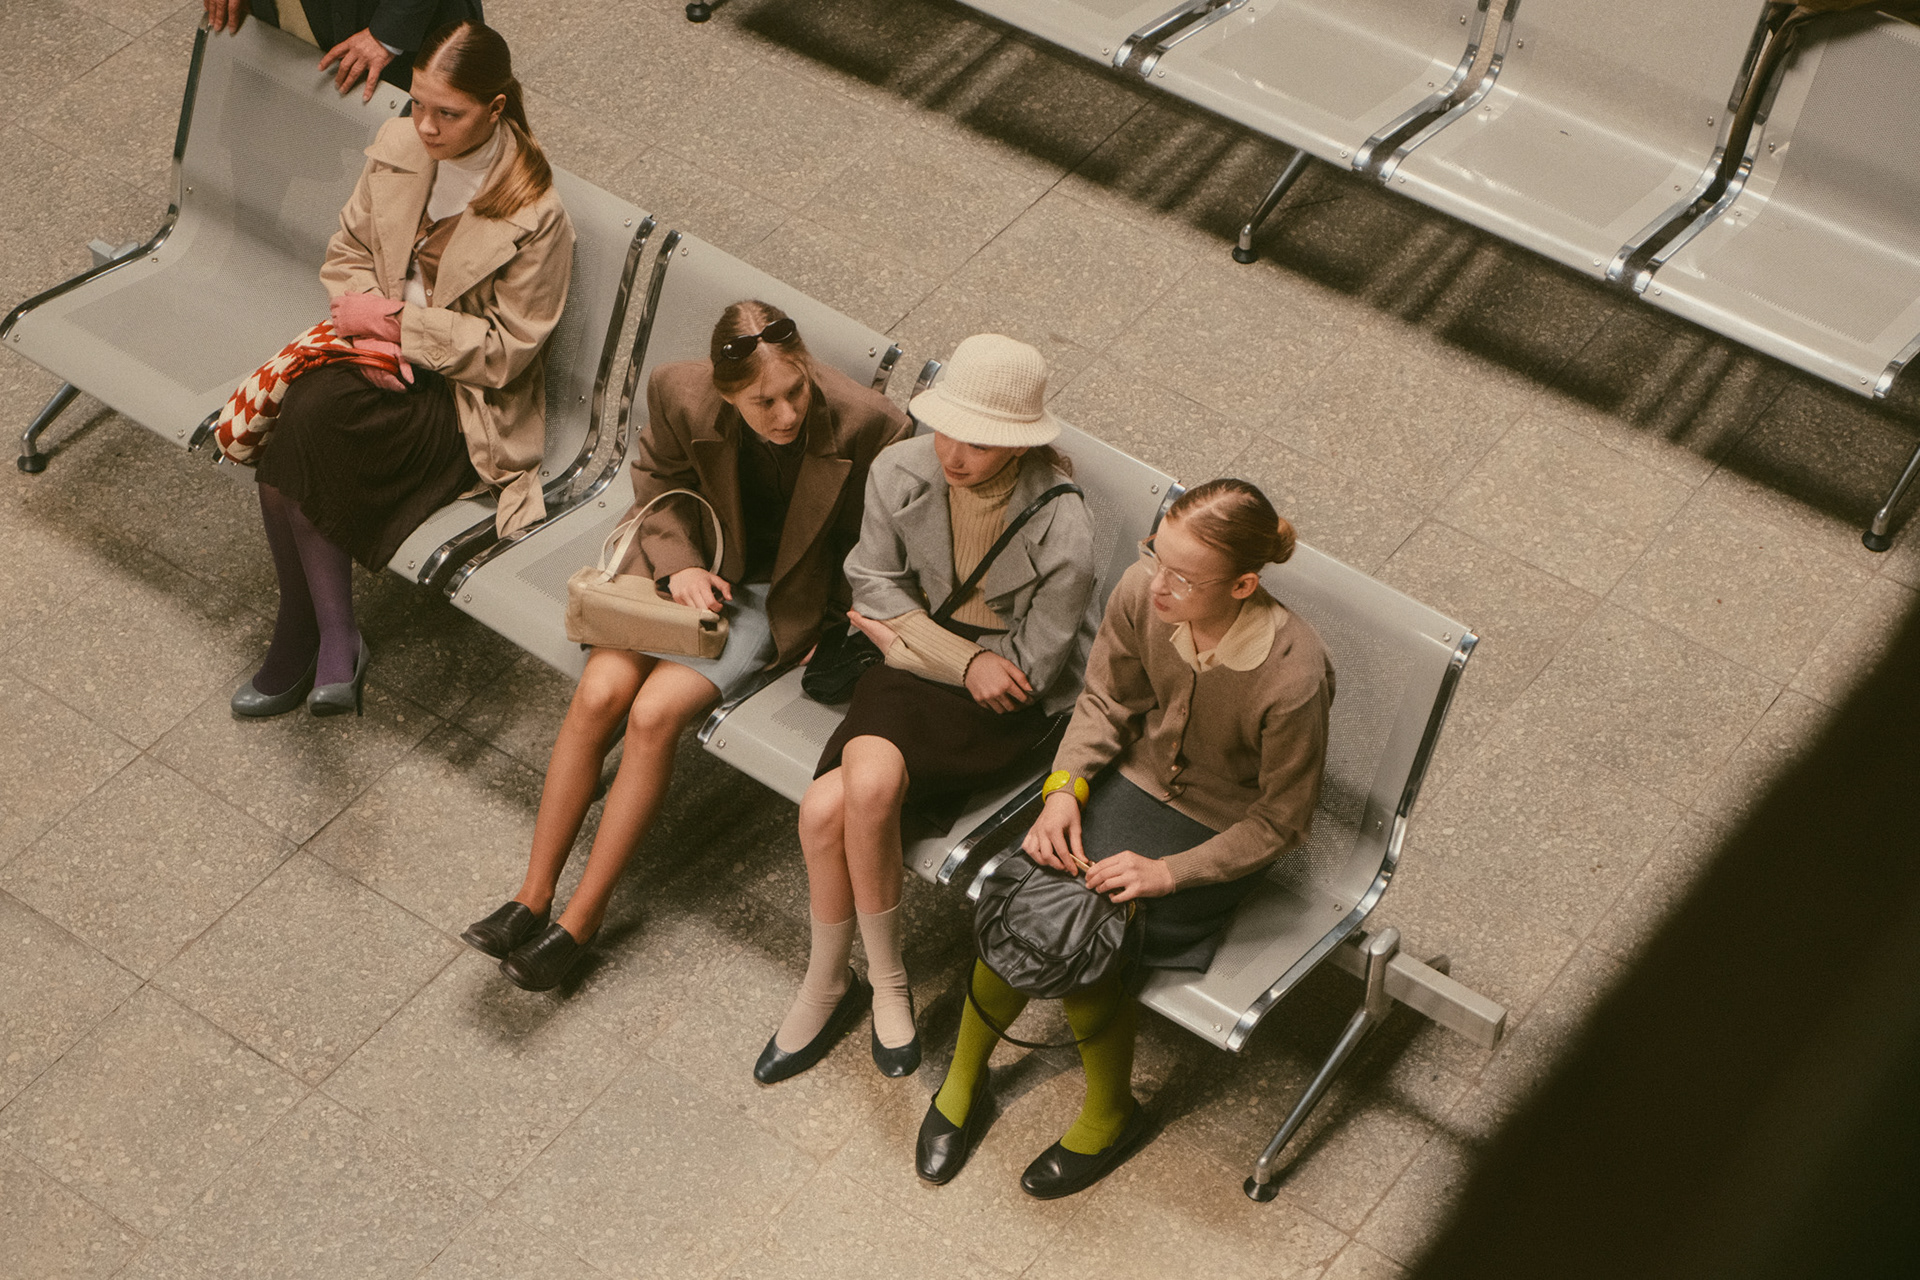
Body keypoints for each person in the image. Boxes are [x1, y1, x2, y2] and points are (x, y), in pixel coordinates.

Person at [462, 302, 911, 992]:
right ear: (727, 394)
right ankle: (532, 895)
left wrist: (830, 624)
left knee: (653, 716)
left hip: (772, 593)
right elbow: (659, 479)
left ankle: (581, 921)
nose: (787, 413)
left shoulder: (869, 424)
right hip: (685, 560)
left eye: (796, 390)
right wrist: (681, 566)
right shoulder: (681, 391)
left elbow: (871, 546)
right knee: (599, 695)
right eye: (764, 402)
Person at [917, 478, 1335, 1199]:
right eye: (1154, 555)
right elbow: (1107, 700)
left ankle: (1111, 1114)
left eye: (1183, 576)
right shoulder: (1145, 592)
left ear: (1242, 585)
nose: (1157, 582)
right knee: (1025, 895)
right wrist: (1064, 790)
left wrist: (1170, 873)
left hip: (1216, 830)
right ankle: (963, 1081)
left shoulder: (1293, 675)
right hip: (1132, 783)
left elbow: (1282, 821)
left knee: (1091, 936)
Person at [756, 334, 1099, 1086]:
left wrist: (906, 641)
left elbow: (1028, 674)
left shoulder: (1064, 525)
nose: (954, 454)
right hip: (927, 671)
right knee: (837, 802)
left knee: (837, 801)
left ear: (1019, 444)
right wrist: (959, 660)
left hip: (1001, 709)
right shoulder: (901, 468)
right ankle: (860, 981)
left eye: (979, 442)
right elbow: (870, 581)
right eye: (948, 430)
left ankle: (854, 984)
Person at [230, 20, 571, 720]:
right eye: (418, 103)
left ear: (495, 109)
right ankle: (326, 634)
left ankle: (313, 635)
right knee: (307, 420)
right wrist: (370, 334)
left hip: (462, 398)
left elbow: (507, 350)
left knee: (304, 435)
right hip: (371, 349)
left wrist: (394, 326)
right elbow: (348, 251)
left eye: (449, 113)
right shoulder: (398, 145)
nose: (427, 126)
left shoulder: (535, 212)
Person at [204, 0, 481, 99]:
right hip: (281, 25)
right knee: (260, 156)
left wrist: (386, 35)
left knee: (413, 171)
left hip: (398, 29)